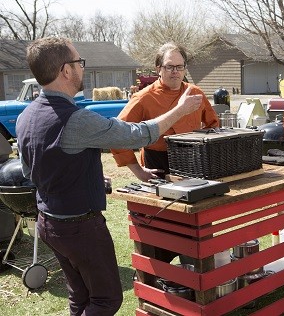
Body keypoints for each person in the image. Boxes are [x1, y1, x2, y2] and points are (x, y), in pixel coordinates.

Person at [15, 37, 203, 316]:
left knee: (80, 297)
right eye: (79, 62)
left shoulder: (26, 116)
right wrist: (180, 110)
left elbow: (32, 171)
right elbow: (137, 135)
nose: (82, 68)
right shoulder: (77, 119)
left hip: (48, 224)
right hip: (80, 228)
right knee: (105, 301)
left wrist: (86, 179)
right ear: (66, 70)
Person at [111, 42, 219, 182]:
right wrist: (138, 171)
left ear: (185, 69)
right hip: (157, 164)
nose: (175, 71)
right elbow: (116, 134)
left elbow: (214, 127)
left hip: (194, 162)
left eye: (179, 67)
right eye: (169, 66)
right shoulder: (143, 98)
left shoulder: (195, 93)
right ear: (158, 69)